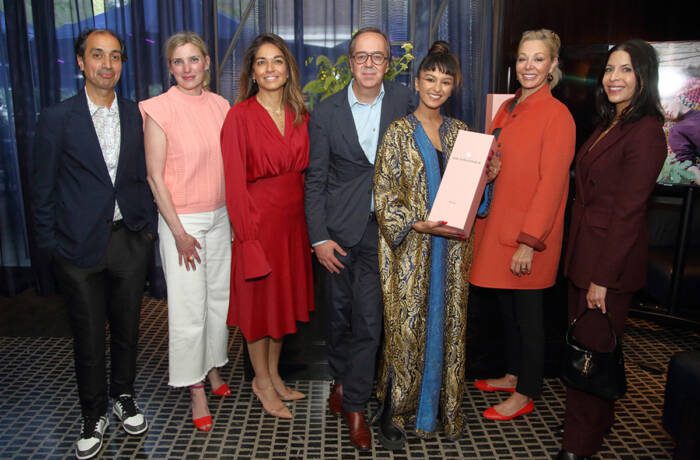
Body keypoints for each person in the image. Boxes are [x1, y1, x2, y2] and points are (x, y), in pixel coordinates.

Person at [31, 29, 156, 459]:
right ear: (81, 62)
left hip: (128, 242)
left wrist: (146, 231)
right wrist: (53, 248)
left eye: (115, 56)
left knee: (127, 332)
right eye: (97, 55)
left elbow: (145, 176)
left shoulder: (137, 114)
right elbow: (41, 190)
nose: (107, 64)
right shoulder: (56, 119)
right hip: (77, 250)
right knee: (87, 338)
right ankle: (92, 413)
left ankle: (124, 397)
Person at [373, 41, 500, 448]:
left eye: (446, 81)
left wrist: (488, 176)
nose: (437, 87)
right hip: (411, 250)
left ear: (453, 87)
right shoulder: (396, 133)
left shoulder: (463, 133)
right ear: (416, 81)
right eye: (430, 78)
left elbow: (475, 201)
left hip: (453, 251)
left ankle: (439, 409)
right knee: (404, 331)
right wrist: (415, 222)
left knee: (447, 324)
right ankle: (394, 408)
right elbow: (383, 197)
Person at [304, 27, 415, 450]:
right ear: (350, 62)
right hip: (336, 232)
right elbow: (314, 180)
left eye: (378, 57)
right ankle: (340, 377)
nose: (369, 64)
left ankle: (355, 406)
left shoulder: (405, 101)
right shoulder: (327, 111)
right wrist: (318, 238)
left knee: (369, 320)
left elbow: (432, 143)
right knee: (337, 318)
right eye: (361, 57)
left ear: (388, 64)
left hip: (383, 233)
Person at [556, 39, 667, 460]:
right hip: (584, 255)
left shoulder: (646, 132)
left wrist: (601, 277)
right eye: (609, 70)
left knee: (591, 351)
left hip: (607, 265)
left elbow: (628, 213)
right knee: (587, 348)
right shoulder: (611, 123)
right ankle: (595, 425)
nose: (613, 78)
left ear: (643, 77)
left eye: (625, 70)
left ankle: (577, 446)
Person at [469, 28, 575, 421]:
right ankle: (513, 373)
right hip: (497, 227)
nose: (528, 66)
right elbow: (501, 159)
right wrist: (492, 168)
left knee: (529, 316)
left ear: (552, 66)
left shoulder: (557, 115)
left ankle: (527, 391)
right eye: (523, 58)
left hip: (528, 235)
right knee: (509, 309)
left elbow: (552, 184)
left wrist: (529, 241)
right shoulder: (508, 107)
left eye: (538, 59)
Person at [140, 31, 231, 432]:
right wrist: (176, 231)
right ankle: (193, 385)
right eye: (179, 62)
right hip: (184, 222)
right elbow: (155, 178)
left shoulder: (221, 105)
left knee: (217, 302)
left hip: (220, 215)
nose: (187, 69)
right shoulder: (159, 109)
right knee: (188, 307)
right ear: (169, 67)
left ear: (207, 63)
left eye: (194, 60)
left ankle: (212, 369)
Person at [221, 33, 314, 420]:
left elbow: (309, 176)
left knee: (281, 307)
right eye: (262, 62)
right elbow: (233, 184)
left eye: (277, 61)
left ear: (287, 69)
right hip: (258, 224)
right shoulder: (238, 116)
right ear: (253, 72)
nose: (270, 68)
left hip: (293, 226)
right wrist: (246, 238)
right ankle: (260, 380)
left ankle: (274, 374)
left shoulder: (300, 113)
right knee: (259, 311)